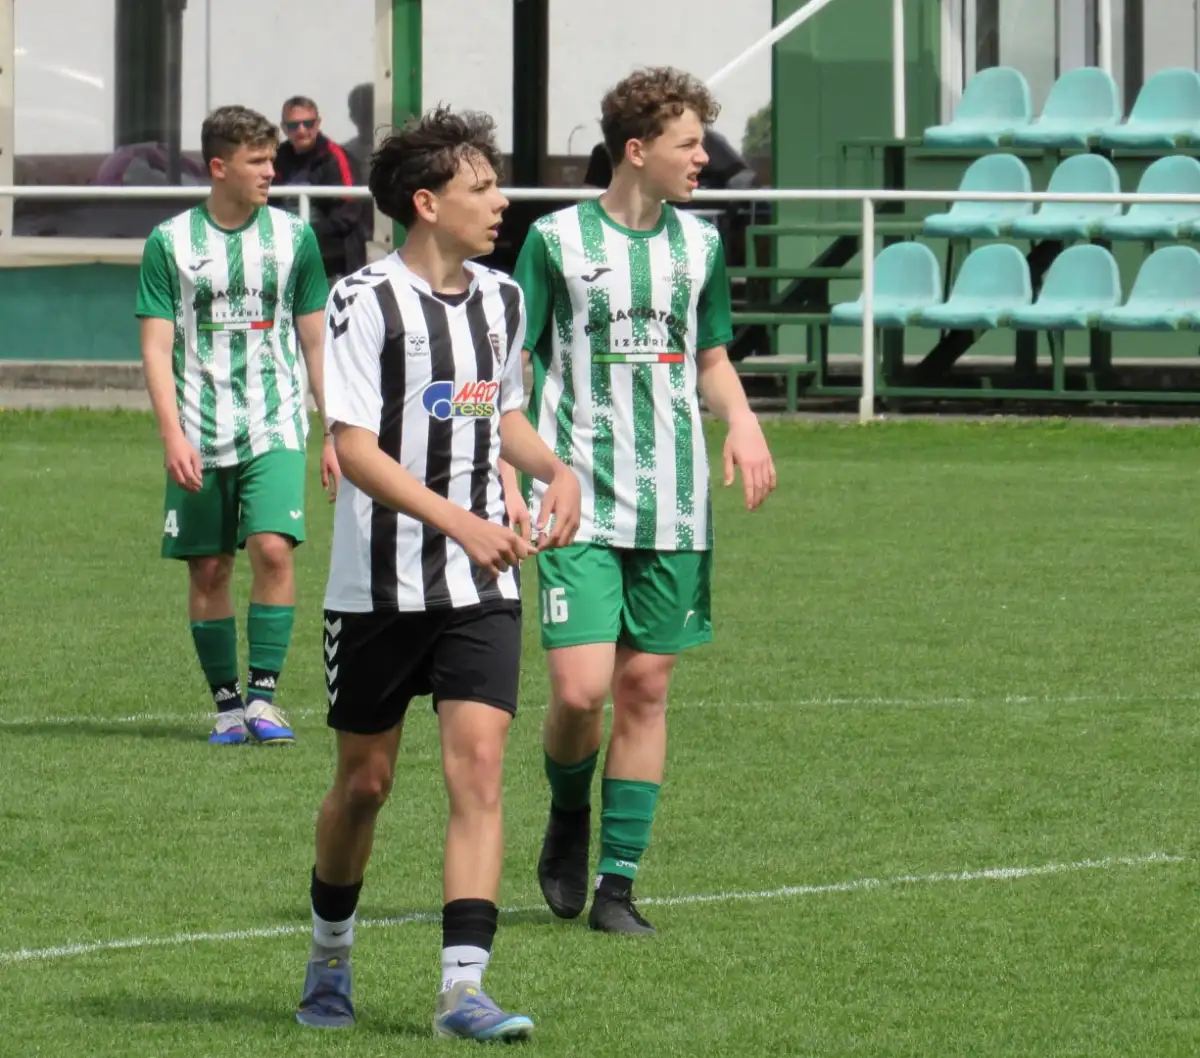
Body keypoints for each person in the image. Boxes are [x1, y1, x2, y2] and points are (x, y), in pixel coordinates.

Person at [295, 106, 581, 1040]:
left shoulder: (501, 300)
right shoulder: (362, 300)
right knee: (365, 785)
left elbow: (501, 419)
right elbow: (356, 449)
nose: (500, 202)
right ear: (427, 202)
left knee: (481, 771)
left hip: (479, 588)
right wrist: (461, 521)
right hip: (377, 590)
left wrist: (555, 469)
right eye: (482, 187)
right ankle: (329, 958)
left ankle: (463, 989)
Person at [512, 67, 777, 934]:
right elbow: (514, 363)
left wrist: (741, 421)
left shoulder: (700, 248)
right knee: (581, 690)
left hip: (675, 500)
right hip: (577, 494)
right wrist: (514, 467)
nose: (705, 157)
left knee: (647, 688)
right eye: (689, 143)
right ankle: (566, 816)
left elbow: (709, 357)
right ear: (637, 150)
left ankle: (617, 885)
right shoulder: (553, 241)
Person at [136, 104, 339, 746]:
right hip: (198, 426)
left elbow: (314, 341)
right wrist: (171, 434)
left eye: (272, 159)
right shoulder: (169, 243)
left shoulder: (293, 239)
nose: (270, 172)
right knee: (210, 568)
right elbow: (154, 347)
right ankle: (226, 707)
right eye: (257, 161)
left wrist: (334, 429)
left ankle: (264, 699)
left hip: (275, 422)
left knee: (274, 547)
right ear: (218, 167)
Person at [274, 95, 366, 278]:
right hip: (285, 258)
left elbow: (349, 211)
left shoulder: (336, 157)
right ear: (284, 128)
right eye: (293, 125)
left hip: (332, 261)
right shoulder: (278, 157)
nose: (301, 130)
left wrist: (306, 237)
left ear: (318, 123)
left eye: (308, 123)